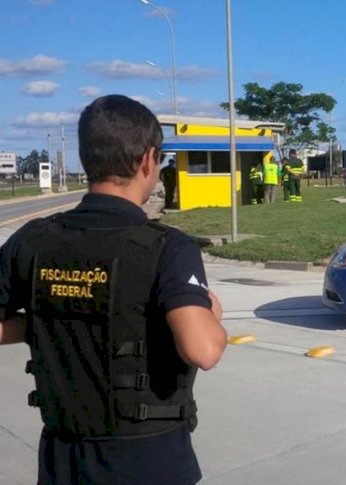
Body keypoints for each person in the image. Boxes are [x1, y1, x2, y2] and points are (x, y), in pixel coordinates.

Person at [0, 94, 227, 484]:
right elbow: (203, 349)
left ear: (88, 159)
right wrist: (213, 317)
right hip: (149, 461)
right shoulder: (167, 248)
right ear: (147, 160)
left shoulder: (33, 240)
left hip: (62, 462)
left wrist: (42, 321)